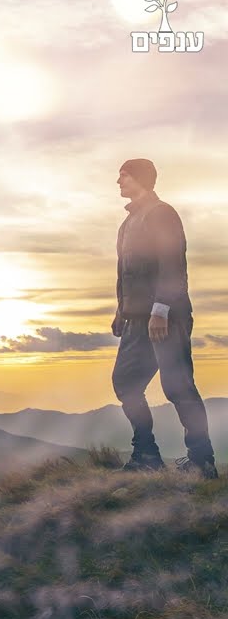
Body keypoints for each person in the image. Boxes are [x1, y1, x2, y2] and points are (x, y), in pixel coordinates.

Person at [110, 157, 216, 479]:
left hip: (166, 317)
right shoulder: (128, 223)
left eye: (124, 176)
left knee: (178, 386)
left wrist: (161, 309)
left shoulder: (162, 214)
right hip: (136, 319)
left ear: (141, 178)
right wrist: (121, 311)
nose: (118, 182)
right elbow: (125, 273)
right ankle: (146, 455)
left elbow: (172, 264)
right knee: (125, 382)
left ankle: (202, 461)